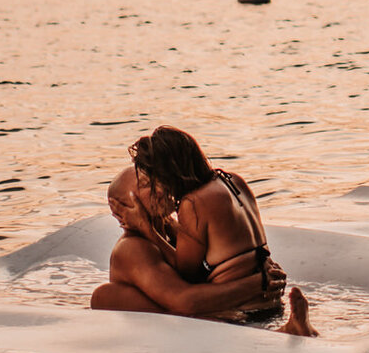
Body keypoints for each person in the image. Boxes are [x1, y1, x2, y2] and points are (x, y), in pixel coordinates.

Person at [90, 126, 314, 335]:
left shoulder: (182, 218)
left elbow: (191, 269)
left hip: (245, 310)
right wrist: (257, 283)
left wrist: (158, 226)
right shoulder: (133, 247)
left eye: (158, 178)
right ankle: (281, 330)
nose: (160, 188)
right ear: (121, 207)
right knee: (105, 297)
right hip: (247, 306)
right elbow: (186, 295)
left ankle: (281, 330)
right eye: (148, 185)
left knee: (107, 295)